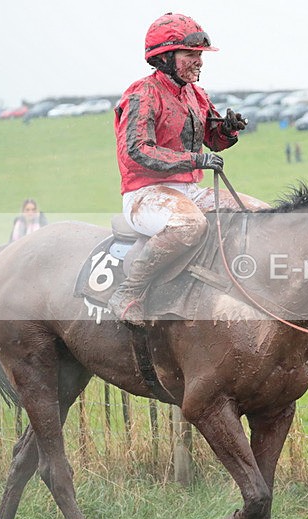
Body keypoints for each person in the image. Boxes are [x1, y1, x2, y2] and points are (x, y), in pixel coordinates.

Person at [109, 12, 268, 326]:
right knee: (189, 226)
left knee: (263, 216)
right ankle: (128, 292)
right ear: (165, 58)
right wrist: (194, 160)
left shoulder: (197, 94)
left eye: (200, 55)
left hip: (189, 192)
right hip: (145, 195)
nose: (199, 61)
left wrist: (228, 130)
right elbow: (137, 151)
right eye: (190, 55)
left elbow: (213, 141)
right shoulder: (142, 94)